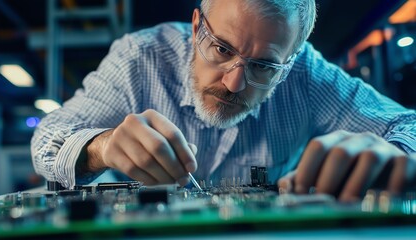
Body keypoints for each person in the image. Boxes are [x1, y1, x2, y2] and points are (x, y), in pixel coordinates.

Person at [31, 0, 416, 201]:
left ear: (292, 60)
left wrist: (393, 153)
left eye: (264, 66)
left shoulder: (308, 75)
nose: (234, 83)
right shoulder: (138, 58)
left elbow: (408, 126)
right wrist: (103, 147)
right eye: (220, 48)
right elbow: (48, 138)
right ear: (198, 26)